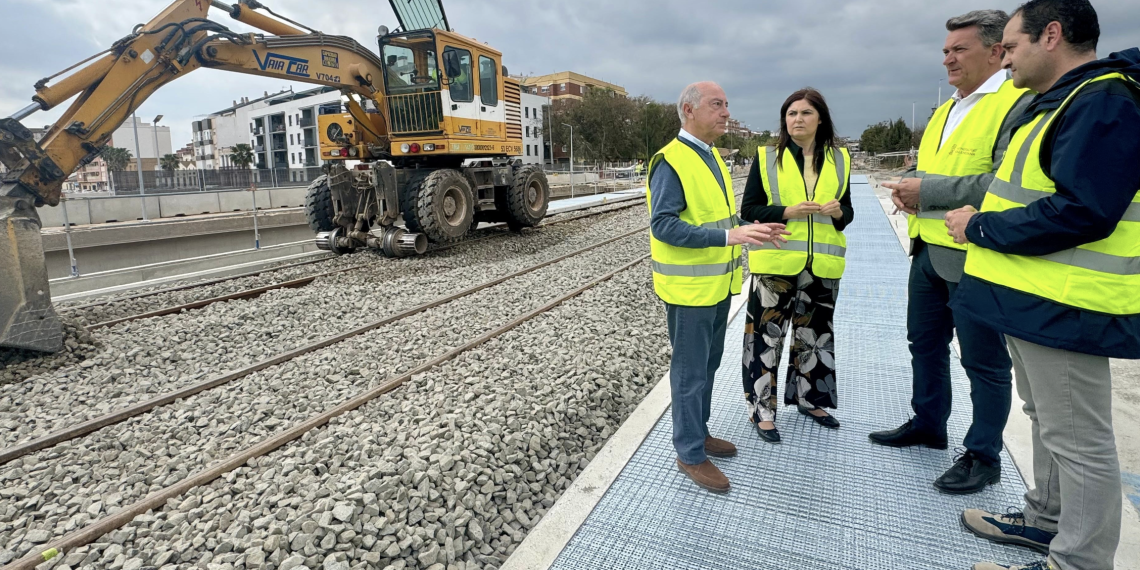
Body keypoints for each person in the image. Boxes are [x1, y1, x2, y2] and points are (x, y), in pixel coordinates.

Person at [941, 1, 1140, 568]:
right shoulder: (1061, 103)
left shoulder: (1103, 102)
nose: (1004, 57)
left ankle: (1075, 560)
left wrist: (979, 225)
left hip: (1068, 305)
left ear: (1051, 35)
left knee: (1081, 445)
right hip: (1034, 300)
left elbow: (1083, 211)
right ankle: (1045, 521)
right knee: (1046, 421)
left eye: (1010, 44)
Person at [867, 10, 1033, 495]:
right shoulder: (946, 109)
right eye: (945, 51)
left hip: (977, 257)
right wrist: (909, 188)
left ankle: (983, 455)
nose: (948, 59)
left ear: (995, 50)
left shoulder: (1015, 103)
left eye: (958, 49)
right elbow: (935, 172)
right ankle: (929, 423)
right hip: (929, 253)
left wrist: (927, 191)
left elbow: (1003, 181)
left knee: (982, 361)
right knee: (924, 344)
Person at [648, 81, 789, 493]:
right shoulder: (671, 160)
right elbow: (664, 225)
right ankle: (690, 453)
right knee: (689, 374)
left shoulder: (710, 157)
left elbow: (720, 221)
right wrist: (730, 239)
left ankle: (699, 432)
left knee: (706, 368)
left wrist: (750, 228)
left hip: (715, 288)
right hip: (689, 293)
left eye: (727, 104)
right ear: (689, 110)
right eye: (717, 105)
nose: (726, 112)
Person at [739, 88, 854, 443]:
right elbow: (750, 210)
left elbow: (846, 213)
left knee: (815, 337)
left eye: (805, 113)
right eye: (791, 114)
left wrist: (839, 213)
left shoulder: (840, 160)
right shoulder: (768, 157)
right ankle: (761, 410)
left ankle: (810, 399)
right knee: (765, 339)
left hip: (822, 266)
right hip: (776, 266)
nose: (797, 120)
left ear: (821, 119)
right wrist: (787, 212)